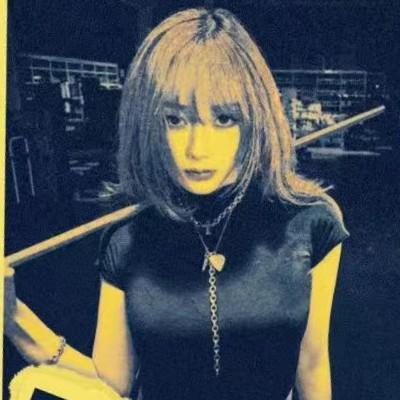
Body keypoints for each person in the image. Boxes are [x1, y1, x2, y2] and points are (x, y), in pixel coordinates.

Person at [4, 7, 349, 400]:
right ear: (149, 123)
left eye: (223, 119)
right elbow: (110, 386)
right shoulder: (127, 236)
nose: (196, 148)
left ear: (255, 119)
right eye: (175, 119)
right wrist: (13, 318)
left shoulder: (310, 222)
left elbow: (311, 363)